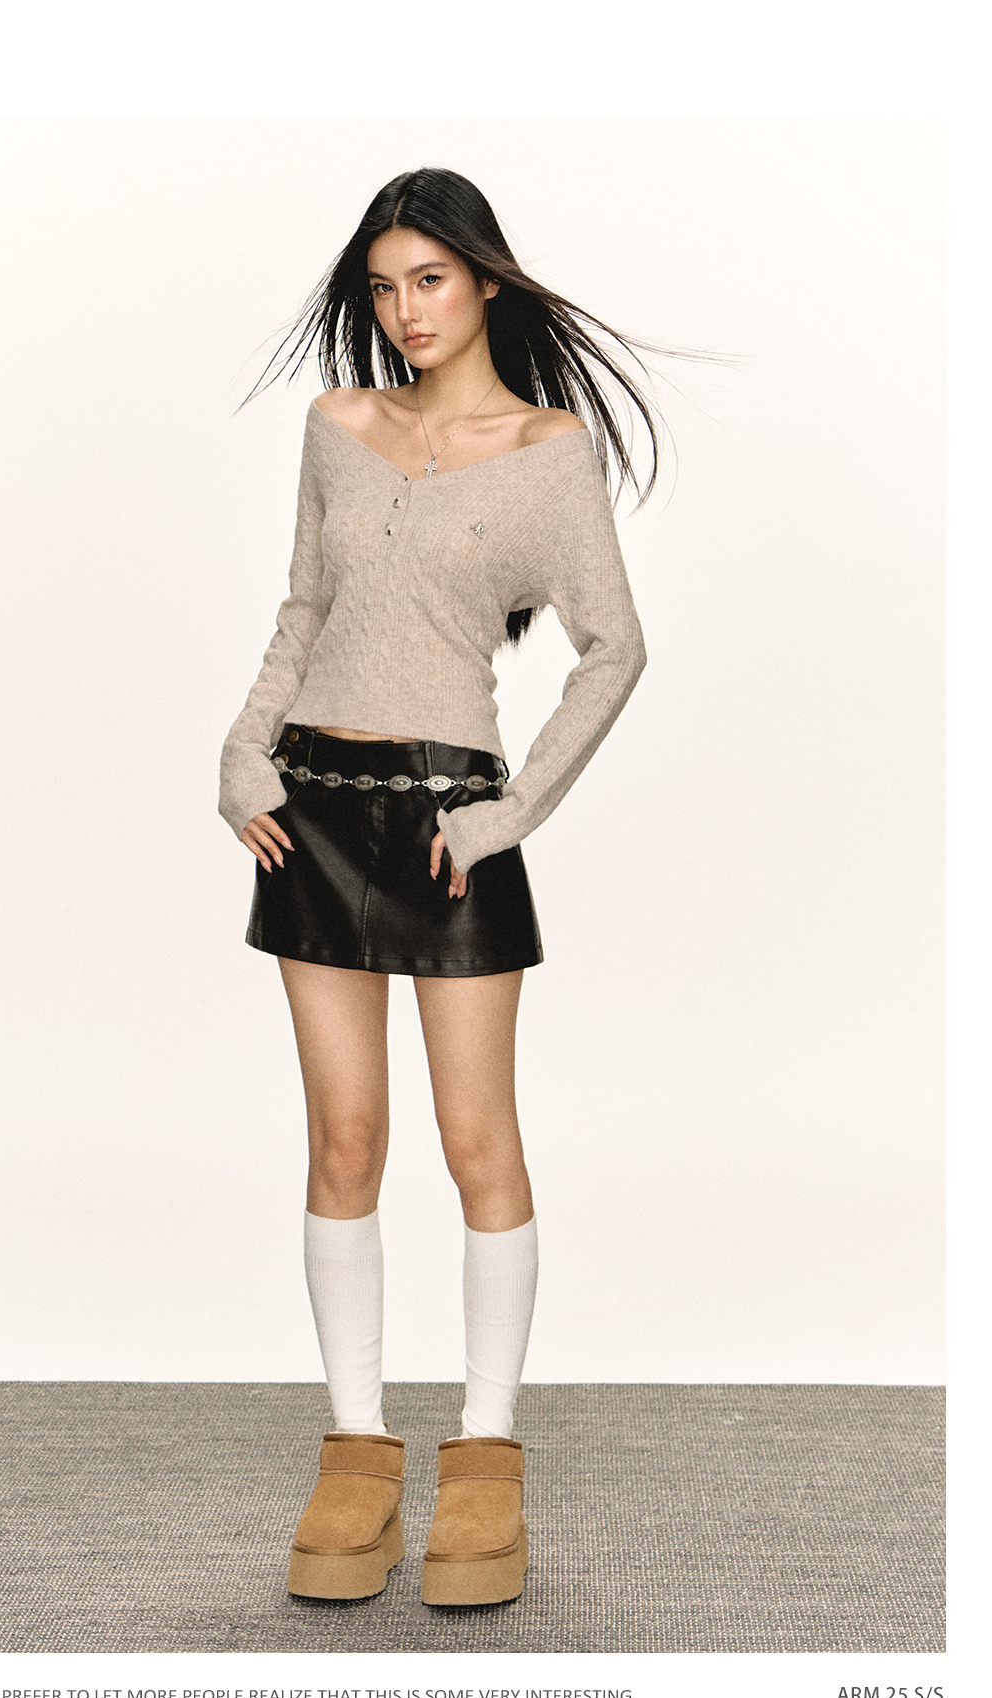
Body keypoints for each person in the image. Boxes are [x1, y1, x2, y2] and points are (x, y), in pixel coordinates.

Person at [217, 167, 653, 1606]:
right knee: (344, 1140)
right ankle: (356, 1454)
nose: (405, 312)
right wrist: (241, 752)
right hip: (312, 811)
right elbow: (306, 607)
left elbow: (615, 647)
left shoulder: (547, 453)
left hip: (446, 824)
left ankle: (484, 1457)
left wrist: (510, 814)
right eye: (384, 286)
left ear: (485, 281)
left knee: (478, 1144)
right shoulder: (338, 428)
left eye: (430, 280)